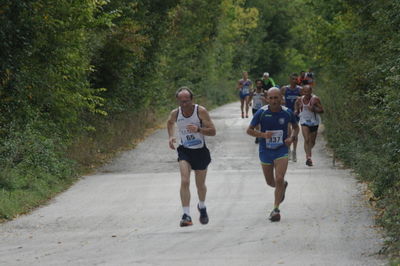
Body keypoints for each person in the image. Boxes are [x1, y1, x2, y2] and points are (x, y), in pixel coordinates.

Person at [246, 87, 299, 222]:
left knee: (279, 178)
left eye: (276, 98)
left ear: (281, 98)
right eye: (271, 98)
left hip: (281, 150)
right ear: (267, 99)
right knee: (271, 182)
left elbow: (296, 127)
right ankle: (282, 187)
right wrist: (263, 135)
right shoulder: (261, 113)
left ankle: (276, 209)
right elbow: (249, 130)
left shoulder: (287, 112)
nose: (274, 101)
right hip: (265, 150)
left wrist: (291, 138)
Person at [167, 87, 216, 227]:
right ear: (178, 100)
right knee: (185, 180)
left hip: (200, 151)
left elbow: (213, 131)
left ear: (192, 100)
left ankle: (202, 206)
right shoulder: (175, 113)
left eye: (186, 101)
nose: (184, 104)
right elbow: (169, 123)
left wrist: (199, 129)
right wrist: (171, 137)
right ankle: (186, 215)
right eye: (181, 101)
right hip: (185, 151)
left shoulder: (200, 111)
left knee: (200, 185)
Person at [294, 85, 324, 166]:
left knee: (312, 141)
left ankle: (308, 151)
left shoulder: (315, 99)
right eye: (305, 92)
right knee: (306, 139)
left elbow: (322, 110)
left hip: (314, 122)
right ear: (302, 92)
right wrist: (296, 111)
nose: (306, 93)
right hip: (304, 121)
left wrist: (314, 109)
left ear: (311, 91)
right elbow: (296, 108)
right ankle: (308, 157)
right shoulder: (300, 99)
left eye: (308, 92)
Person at [280, 73, 302, 162]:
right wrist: (282, 102)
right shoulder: (285, 88)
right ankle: (288, 150)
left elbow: (304, 99)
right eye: (293, 79)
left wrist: (299, 104)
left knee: (295, 133)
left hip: (296, 113)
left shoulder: (300, 89)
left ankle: (294, 152)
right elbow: (279, 98)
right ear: (290, 79)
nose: (294, 80)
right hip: (286, 112)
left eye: (296, 79)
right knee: (288, 132)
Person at [248, 79, 267, 143]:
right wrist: (250, 102)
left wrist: (264, 99)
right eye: (258, 84)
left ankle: (262, 136)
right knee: (256, 124)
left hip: (262, 109)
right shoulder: (253, 92)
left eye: (260, 84)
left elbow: (268, 101)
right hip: (255, 109)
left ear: (262, 84)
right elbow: (249, 99)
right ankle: (257, 136)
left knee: (262, 123)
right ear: (256, 84)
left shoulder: (264, 92)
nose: (259, 85)